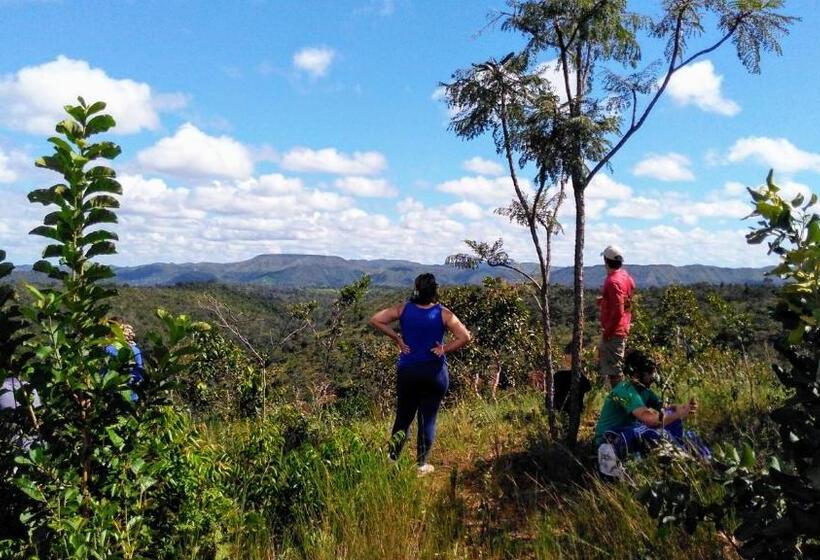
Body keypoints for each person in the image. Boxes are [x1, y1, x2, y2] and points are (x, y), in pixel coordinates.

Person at [369, 273, 471, 474]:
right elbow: (465, 336)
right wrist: (444, 349)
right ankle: (421, 465)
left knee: (403, 417)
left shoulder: (404, 308)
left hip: (409, 371)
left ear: (416, 289)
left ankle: (392, 460)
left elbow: (376, 320)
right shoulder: (443, 313)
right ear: (434, 291)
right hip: (435, 372)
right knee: (428, 418)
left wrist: (397, 339)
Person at [594, 350, 710, 477]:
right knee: (649, 430)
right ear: (637, 374)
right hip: (612, 437)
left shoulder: (644, 391)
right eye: (649, 373)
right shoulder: (625, 391)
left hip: (630, 431)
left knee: (681, 428)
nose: (653, 377)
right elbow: (649, 419)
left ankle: (705, 461)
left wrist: (684, 407)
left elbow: (666, 409)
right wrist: (679, 413)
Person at [597, 245, 636, 387]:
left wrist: (608, 332)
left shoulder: (613, 281)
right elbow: (627, 301)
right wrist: (605, 301)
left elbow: (619, 310)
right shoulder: (625, 277)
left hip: (615, 332)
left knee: (615, 372)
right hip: (622, 328)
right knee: (613, 368)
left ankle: (620, 402)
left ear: (606, 261)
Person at [105, 318, 145, 402]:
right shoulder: (135, 350)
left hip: (111, 394)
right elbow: (139, 372)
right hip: (132, 394)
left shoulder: (108, 349)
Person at [553, 342, 592, 413]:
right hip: (575, 411)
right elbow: (588, 387)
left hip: (559, 410)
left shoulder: (557, 375)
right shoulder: (579, 375)